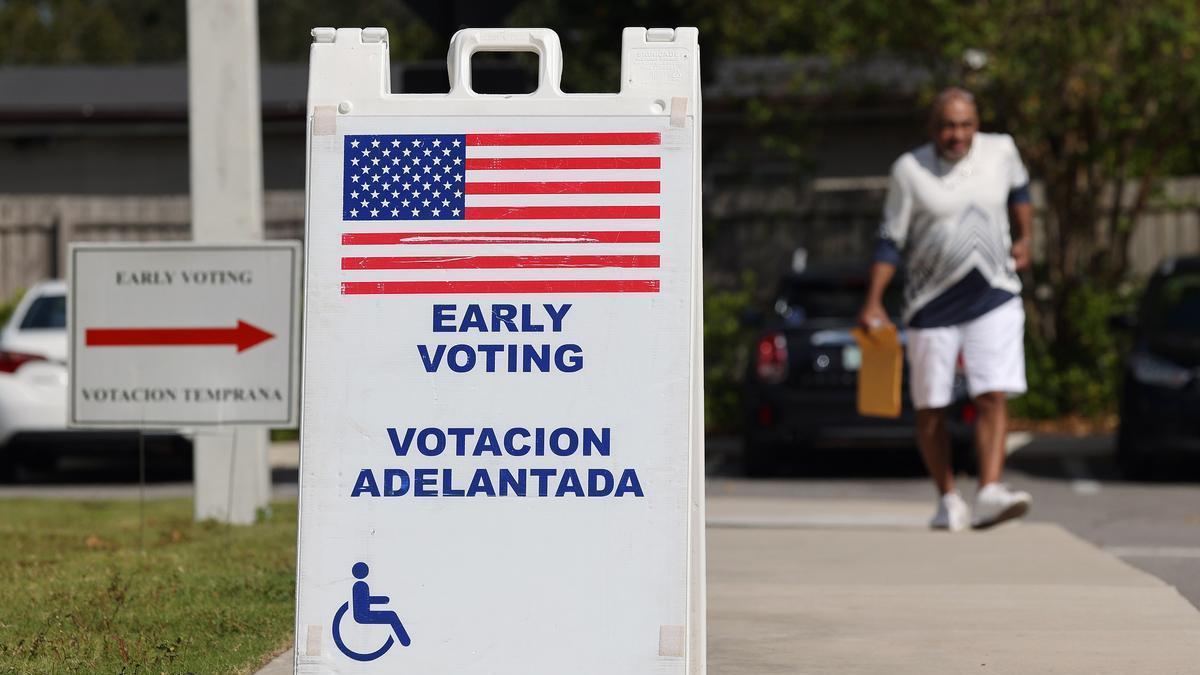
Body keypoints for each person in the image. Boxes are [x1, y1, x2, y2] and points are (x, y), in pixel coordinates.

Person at [858, 87, 1033, 531]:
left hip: (994, 292)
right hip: (931, 301)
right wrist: (874, 300)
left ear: (977, 124)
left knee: (992, 391)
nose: (957, 135)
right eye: (947, 126)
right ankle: (948, 497)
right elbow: (890, 239)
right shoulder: (910, 169)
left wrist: (1025, 236)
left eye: (965, 125)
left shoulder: (1002, 150)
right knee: (931, 404)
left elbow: (1021, 190)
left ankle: (990, 490)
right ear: (932, 129)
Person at [351, 562, 412, 646]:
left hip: (364, 614)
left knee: (391, 615)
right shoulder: (361, 586)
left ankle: (405, 640)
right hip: (363, 616)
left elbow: (366, 601)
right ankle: (405, 640)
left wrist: (383, 600)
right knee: (391, 615)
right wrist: (383, 600)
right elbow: (362, 602)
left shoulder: (360, 585)